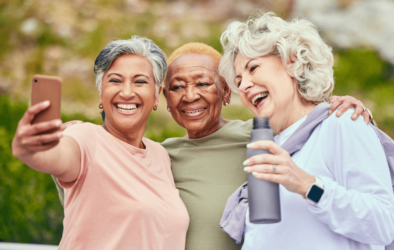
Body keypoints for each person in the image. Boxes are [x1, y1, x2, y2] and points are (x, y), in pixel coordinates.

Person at [53, 42, 372, 249]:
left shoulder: (262, 135)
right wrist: (80, 136)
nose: (190, 96)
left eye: (203, 84)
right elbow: (100, 184)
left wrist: (338, 108)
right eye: (177, 87)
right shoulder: (160, 155)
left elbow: (314, 130)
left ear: (226, 92)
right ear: (165, 101)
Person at [217, 12, 394, 249]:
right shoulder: (266, 148)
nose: (244, 85)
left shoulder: (343, 123)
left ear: (291, 60)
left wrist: (307, 185)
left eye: (253, 68)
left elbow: (382, 223)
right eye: (238, 81)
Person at [12, 36, 189, 250]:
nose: (126, 92)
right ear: (100, 93)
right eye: (115, 81)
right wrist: (30, 150)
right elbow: (59, 156)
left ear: (156, 96)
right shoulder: (86, 137)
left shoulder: (159, 154)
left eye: (140, 81)